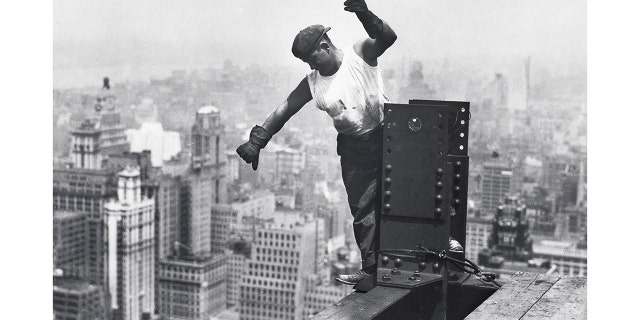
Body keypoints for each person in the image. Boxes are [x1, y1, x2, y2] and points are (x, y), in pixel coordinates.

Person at [237, 0, 461, 286]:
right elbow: (285, 109)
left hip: (388, 134)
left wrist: (364, 14)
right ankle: (371, 268)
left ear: (325, 47)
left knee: (414, 184)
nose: (310, 64)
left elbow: (387, 38)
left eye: (311, 57)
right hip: (355, 148)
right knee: (362, 207)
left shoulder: (359, 56)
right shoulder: (313, 83)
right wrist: (258, 139)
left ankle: (446, 239)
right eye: (305, 61)